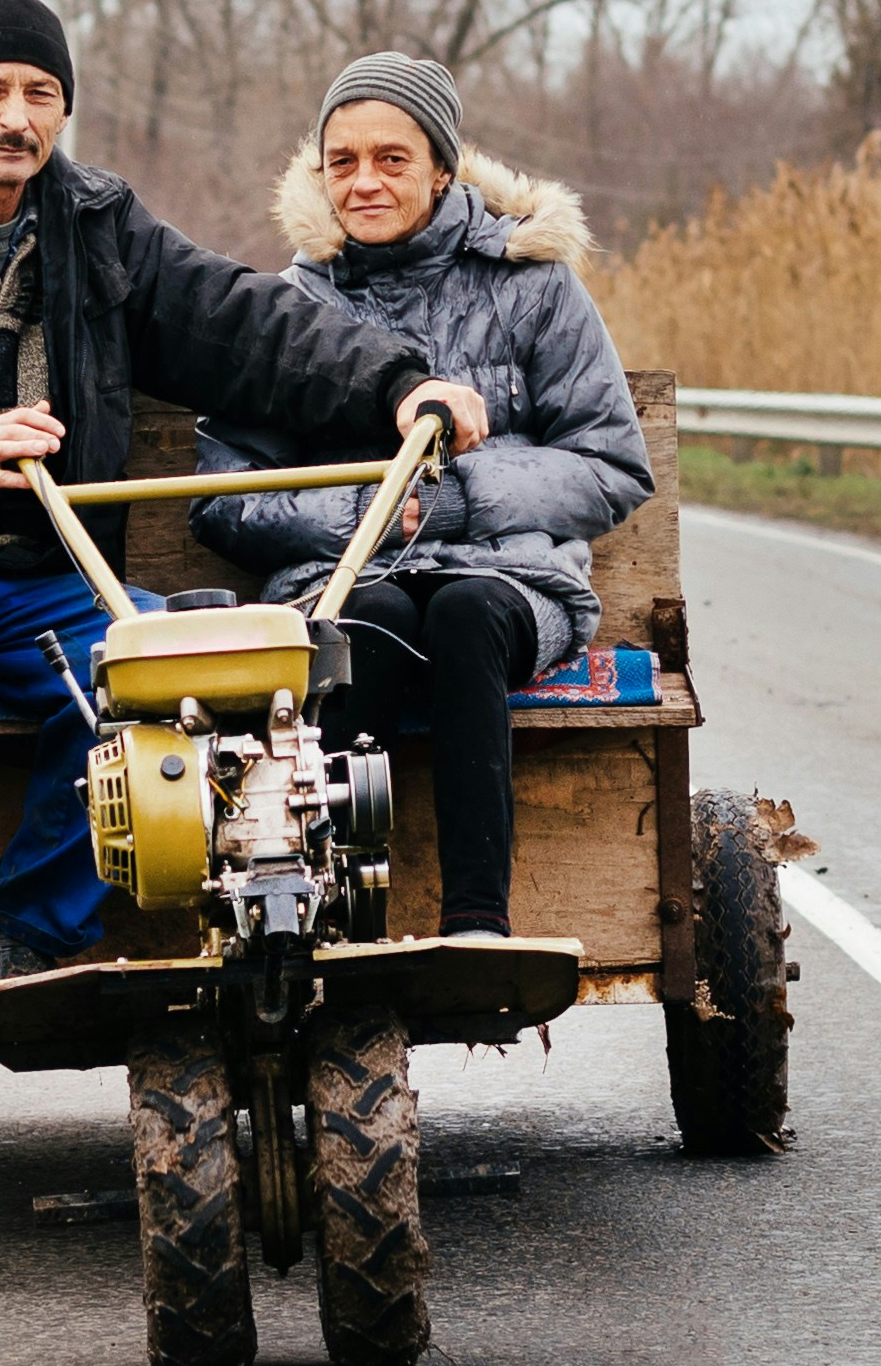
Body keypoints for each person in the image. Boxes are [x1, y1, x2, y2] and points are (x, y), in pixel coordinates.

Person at [0, 0, 489, 1023]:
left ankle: (32, 931)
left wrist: (398, 384)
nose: (16, 117)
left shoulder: (96, 225)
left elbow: (240, 323)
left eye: (40, 93)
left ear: (62, 111)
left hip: (28, 583)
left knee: (178, 653)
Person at [195, 53, 651, 940]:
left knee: (465, 612)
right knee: (371, 616)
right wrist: (358, 513)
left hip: (512, 576)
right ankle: (333, 928)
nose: (364, 182)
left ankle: (477, 922)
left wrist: (454, 498)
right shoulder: (289, 305)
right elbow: (223, 497)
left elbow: (612, 464)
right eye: (343, 161)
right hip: (339, 576)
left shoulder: (534, 285)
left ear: (442, 165)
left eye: (391, 158)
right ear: (321, 174)